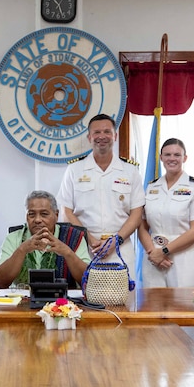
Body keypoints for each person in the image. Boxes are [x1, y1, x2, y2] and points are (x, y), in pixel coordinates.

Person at [57, 114, 144, 279]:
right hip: (85, 247)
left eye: (107, 132)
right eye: (97, 132)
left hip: (120, 246)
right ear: (89, 137)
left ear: (115, 136)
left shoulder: (130, 171)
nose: (102, 136)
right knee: (85, 298)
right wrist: (88, 238)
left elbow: (137, 213)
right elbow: (66, 211)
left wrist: (115, 241)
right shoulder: (74, 169)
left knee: (124, 300)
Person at [138, 138, 194, 288]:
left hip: (184, 257)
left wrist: (164, 251)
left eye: (177, 155)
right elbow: (142, 226)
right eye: (167, 154)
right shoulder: (151, 187)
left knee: (183, 307)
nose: (172, 159)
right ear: (161, 157)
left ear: (185, 158)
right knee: (153, 307)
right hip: (153, 256)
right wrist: (153, 252)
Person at [0, 190, 91, 288]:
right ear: (26, 216)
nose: (37, 220)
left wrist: (67, 252)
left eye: (44, 214)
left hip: (64, 301)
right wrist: (22, 250)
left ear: (56, 215)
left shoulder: (74, 237)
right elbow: (1, 281)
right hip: (23, 300)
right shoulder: (14, 238)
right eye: (31, 214)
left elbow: (89, 281)